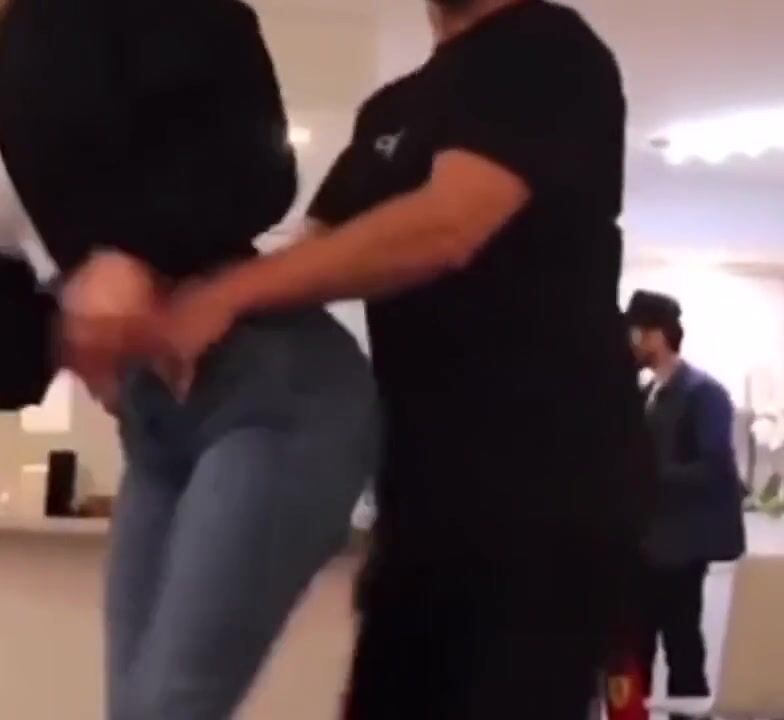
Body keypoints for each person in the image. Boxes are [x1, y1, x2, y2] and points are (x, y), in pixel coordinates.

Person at [0, 0, 380, 717]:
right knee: (139, 707)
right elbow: (7, 330)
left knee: (168, 705)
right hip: (155, 425)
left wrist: (138, 255)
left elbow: (255, 162)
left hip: (275, 390)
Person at [157, 0, 653, 717]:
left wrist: (228, 295)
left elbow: (448, 226)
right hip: (424, 501)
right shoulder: (391, 109)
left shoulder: (548, 47)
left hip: (545, 498)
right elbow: (310, 254)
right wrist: (165, 300)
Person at [625, 290, 746, 718]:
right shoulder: (646, 392)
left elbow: (714, 468)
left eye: (635, 334)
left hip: (681, 548)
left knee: (682, 647)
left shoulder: (702, 393)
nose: (630, 343)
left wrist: (647, 476)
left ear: (658, 335)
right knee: (634, 647)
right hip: (644, 546)